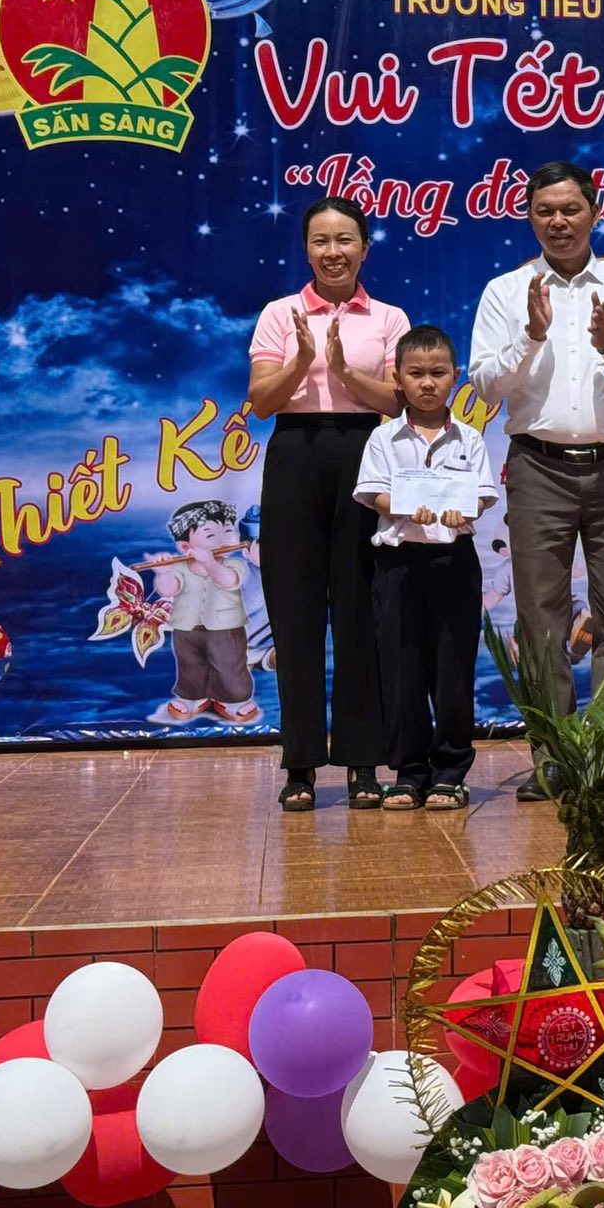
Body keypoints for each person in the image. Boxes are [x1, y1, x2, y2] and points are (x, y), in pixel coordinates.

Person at [469, 160, 604, 801]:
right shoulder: (506, 291)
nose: (558, 222)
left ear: (594, 212)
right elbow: (484, 385)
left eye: (570, 209)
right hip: (537, 468)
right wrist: (531, 338)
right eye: (545, 211)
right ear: (529, 217)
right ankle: (556, 758)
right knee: (540, 619)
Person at [248, 195, 408, 812]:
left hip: (365, 453)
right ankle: (301, 764)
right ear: (306, 250)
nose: (333, 252)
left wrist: (342, 368)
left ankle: (363, 761)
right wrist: (303, 361)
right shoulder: (279, 312)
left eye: (345, 240)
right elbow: (263, 401)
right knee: (296, 614)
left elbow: (395, 401)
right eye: (321, 241)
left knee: (360, 611)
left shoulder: (388, 317)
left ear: (365, 248)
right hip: (294, 455)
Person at [353, 325, 497, 812]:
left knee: (453, 669)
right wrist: (403, 505)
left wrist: (463, 511)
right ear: (397, 378)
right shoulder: (383, 437)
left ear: (456, 376)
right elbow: (373, 493)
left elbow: (482, 497)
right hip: (398, 564)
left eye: (438, 373)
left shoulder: (470, 439)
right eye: (416, 373)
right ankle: (409, 773)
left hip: (454, 562)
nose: (428, 383)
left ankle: (450, 773)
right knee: (401, 669)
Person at [148, 500, 257, 728]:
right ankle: (194, 697)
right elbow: (168, 590)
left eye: (228, 531)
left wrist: (210, 564)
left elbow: (229, 581)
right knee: (191, 665)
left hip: (226, 629)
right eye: (210, 535)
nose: (223, 540)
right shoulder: (180, 567)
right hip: (187, 628)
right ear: (185, 546)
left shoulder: (234, 565)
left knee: (229, 665)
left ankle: (233, 700)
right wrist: (163, 573)